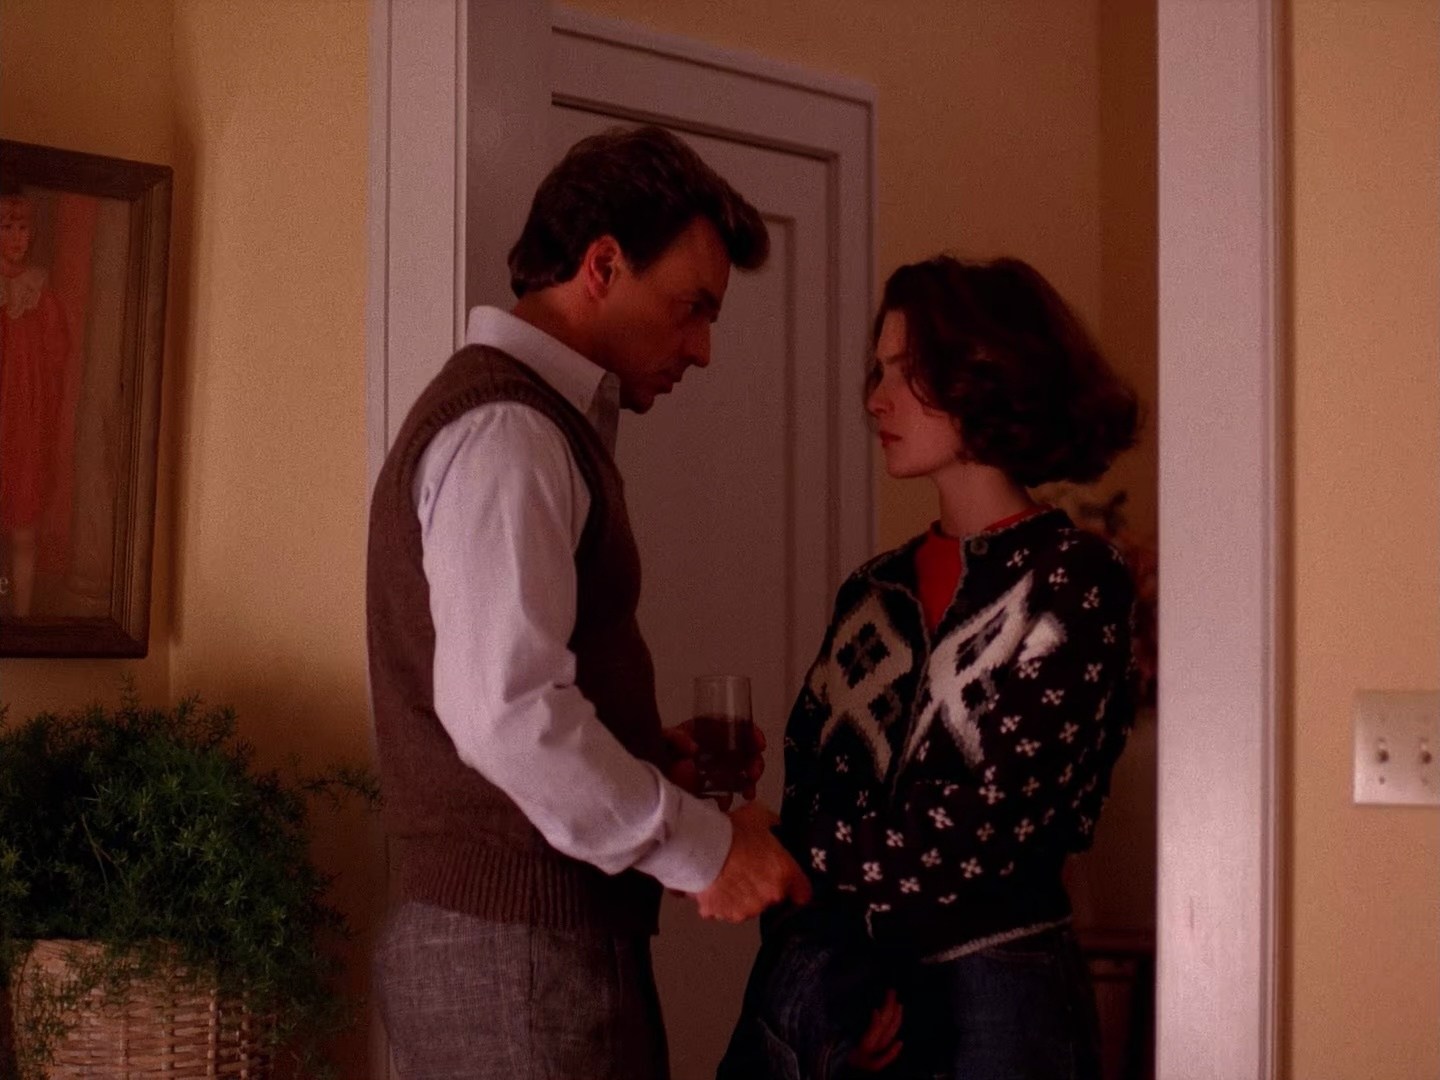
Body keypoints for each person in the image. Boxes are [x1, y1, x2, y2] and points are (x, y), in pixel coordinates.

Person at [366, 125, 811, 1080]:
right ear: (603, 264)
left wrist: (643, 752)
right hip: (518, 957)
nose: (702, 350)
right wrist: (707, 850)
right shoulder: (510, 430)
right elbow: (507, 714)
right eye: (691, 309)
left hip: (519, 946)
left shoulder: (527, 422)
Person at [721, 254, 1141, 1080]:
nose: (875, 399)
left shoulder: (1074, 580)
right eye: (876, 371)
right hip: (850, 1002)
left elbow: (989, 831)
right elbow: (814, 792)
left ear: (990, 373)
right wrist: (829, 1011)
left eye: (906, 372)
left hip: (1000, 999)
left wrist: (772, 848)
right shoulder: (870, 592)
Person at [0, 183, 69, 618]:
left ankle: (21, 624)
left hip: (24, 422)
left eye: (23, 227)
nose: (16, 237)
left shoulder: (40, 290)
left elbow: (56, 354)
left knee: (23, 530)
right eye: (6, 227)